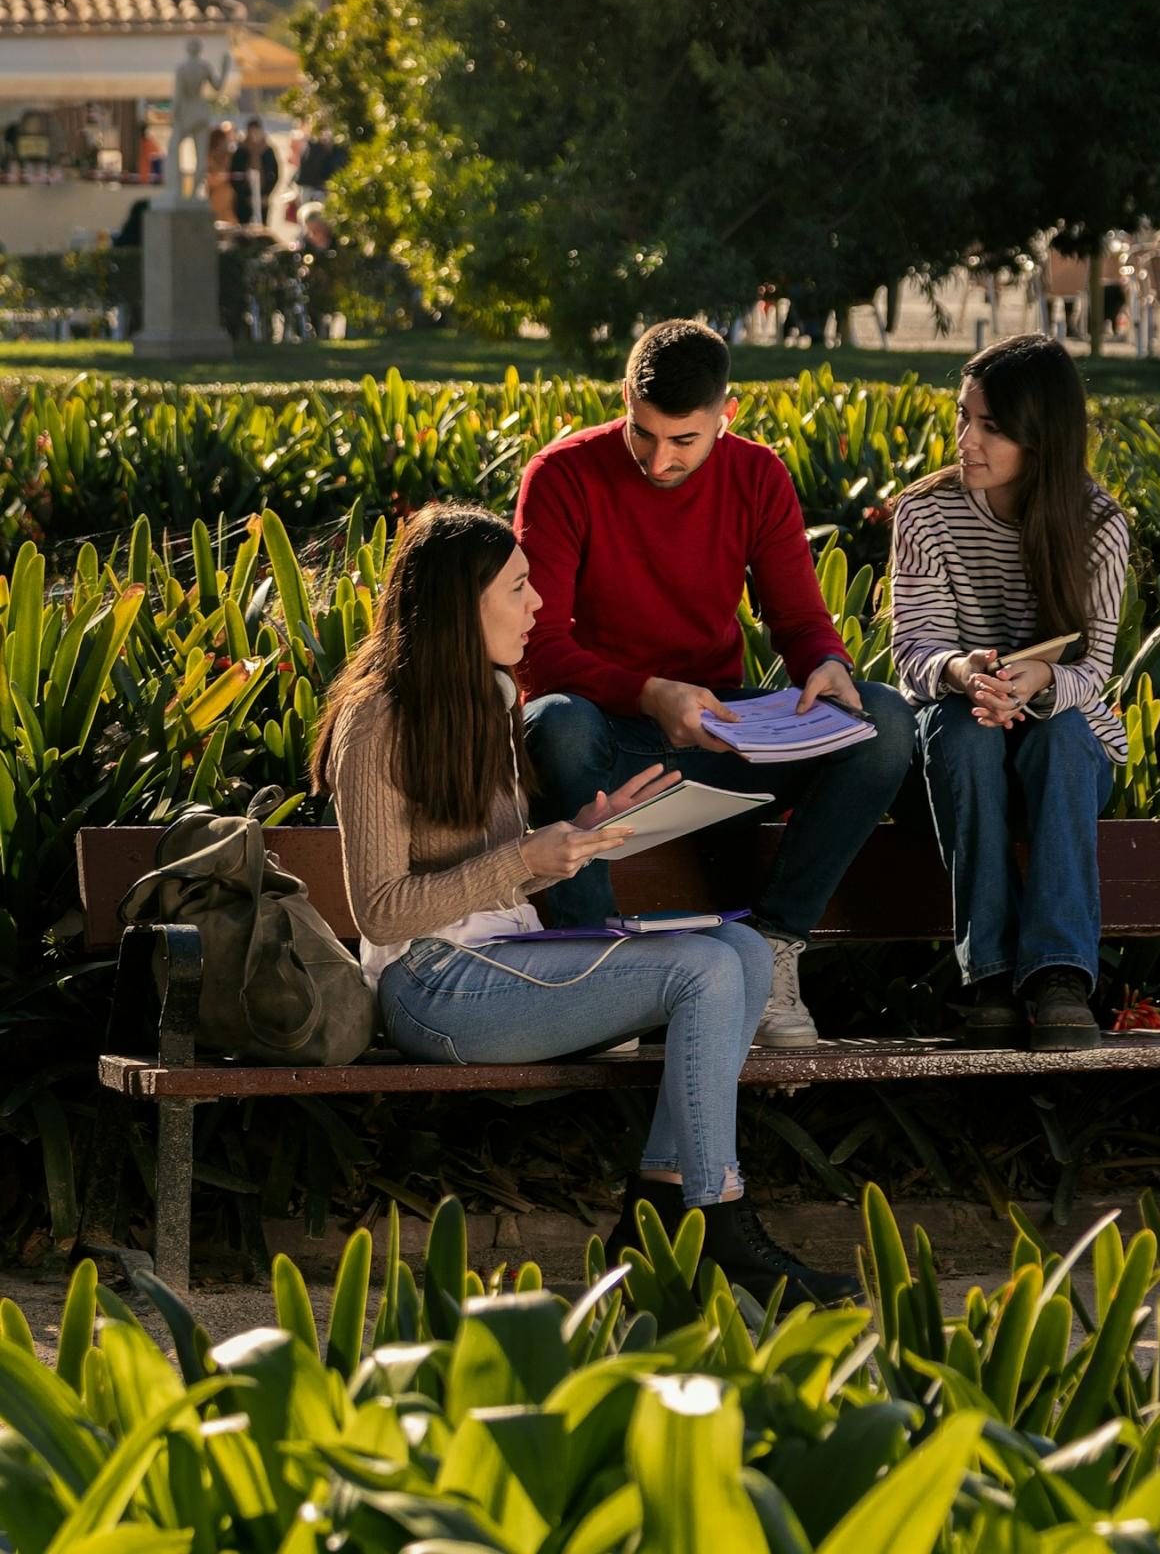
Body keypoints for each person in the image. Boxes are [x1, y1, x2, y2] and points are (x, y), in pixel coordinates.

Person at [314, 501, 857, 1305]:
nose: (538, 606)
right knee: (705, 971)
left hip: (504, 961)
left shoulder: (492, 696)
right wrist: (526, 855)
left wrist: (581, 836)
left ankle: (657, 1208)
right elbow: (381, 913)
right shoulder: (376, 722)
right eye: (518, 588)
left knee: (740, 952)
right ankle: (717, 1222)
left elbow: (505, 875)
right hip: (428, 988)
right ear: (462, 603)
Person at [518, 318, 916, 1048]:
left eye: (683, 441)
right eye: (643, 434)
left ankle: (772, 948)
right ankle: (596, 969)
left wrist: (824, 662)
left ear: (725, 417)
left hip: (715, 739)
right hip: (604, 743)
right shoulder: (563, 473)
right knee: (554, 720)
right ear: (624, 401)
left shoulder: (756, 473)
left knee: (885, 721)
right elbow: (535, 651)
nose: (658, 459)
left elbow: (798, 621)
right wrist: (646, 692)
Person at [889, 333, 1132, 1052]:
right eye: (964, 417)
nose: (966, 439)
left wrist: (1041, 681)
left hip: (1061, 745)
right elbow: (913, 655)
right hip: (957, 738)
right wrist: (967, 674)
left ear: (1040, 436)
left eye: (990, 426)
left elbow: (1094, 669)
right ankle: (988, 977)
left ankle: (1059, 977)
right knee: (961, 729)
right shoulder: (924, 514)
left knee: (1058, 734)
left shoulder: (1096, 524)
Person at [232, 118, 279, 228]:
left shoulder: (268, 150)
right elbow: (235, 175)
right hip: (244, 199)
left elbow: (275, 174)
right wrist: (244, 196)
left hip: (262, 196)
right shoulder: (241, 151)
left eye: (256, 131)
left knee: (262, 228)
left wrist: (267, 194)